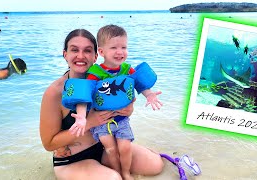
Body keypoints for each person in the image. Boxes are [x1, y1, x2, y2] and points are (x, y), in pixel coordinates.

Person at [39, 28, 164, 180]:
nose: (81, 56)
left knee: (156, 165)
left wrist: (128, 109)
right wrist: (90, 122)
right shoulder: (54, 93)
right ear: (65, 54)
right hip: (74, 160)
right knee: (114, 179)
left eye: (87, 50)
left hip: (105, 148)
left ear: (96, 55)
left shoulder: (104, 80)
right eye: (74, 50)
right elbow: (49, 144)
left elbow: (123, 103)